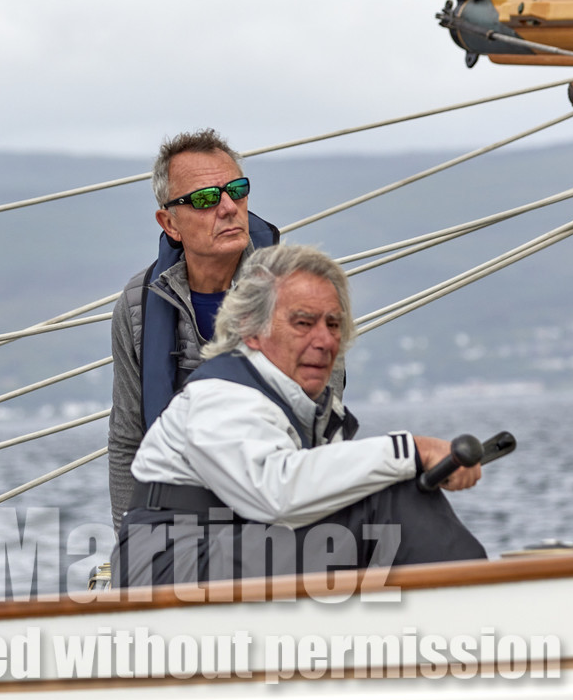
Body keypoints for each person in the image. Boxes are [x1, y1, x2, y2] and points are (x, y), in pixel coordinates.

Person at [113, 244, 486, 588]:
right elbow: (276, 492)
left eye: (333, 325)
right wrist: (411, 452)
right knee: (388, 501)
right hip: (166, 569)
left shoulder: (298, 405)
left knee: (388, 491)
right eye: (304, 323)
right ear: (252, 329)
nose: (324, 341)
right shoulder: (222, 397)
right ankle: (481, 615)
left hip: (212, 555)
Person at [108, 129, 281, 532]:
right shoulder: (137, 306)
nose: (227, 207)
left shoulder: (293, 293)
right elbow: (127, 441)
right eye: (204, 199)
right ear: (170, 223)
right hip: (179, 527)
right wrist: (132, 549)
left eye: (236, 190)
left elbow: (323, 422)